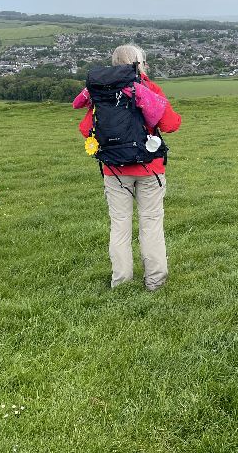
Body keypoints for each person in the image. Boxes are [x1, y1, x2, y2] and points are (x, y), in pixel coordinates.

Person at [79, 44, 181, 291]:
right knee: (151, 223)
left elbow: (85, 129)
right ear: (140, 62)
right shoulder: (147, 88)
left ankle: (121, 281)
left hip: (114, 168)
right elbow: (171, 124)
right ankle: (155, 281)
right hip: (150, 168)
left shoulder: (101, 92)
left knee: (120, 224)